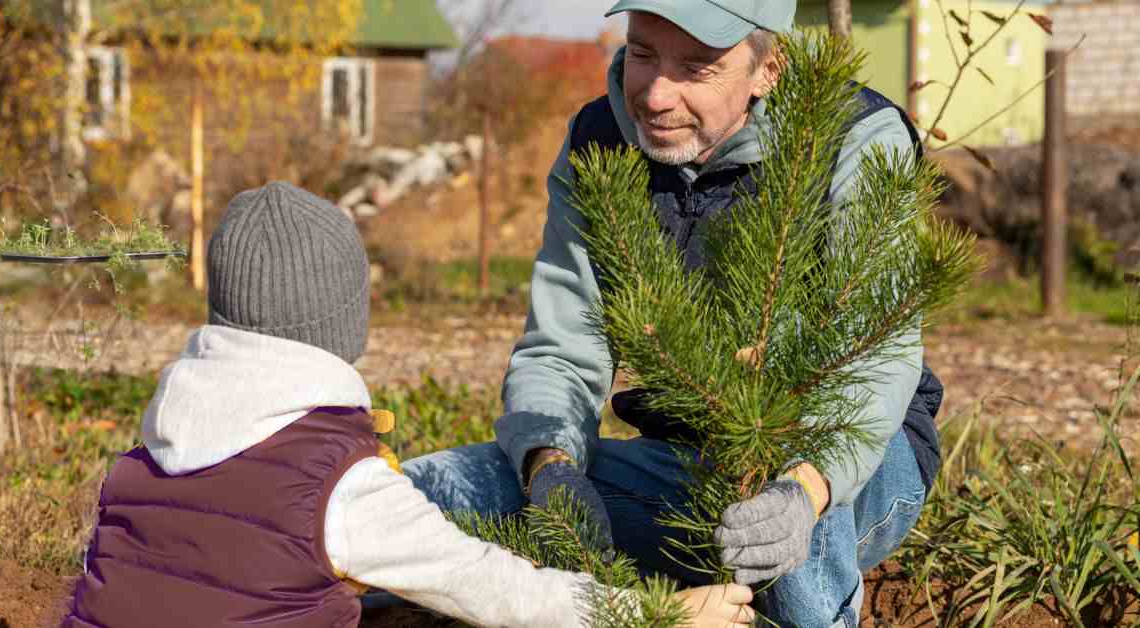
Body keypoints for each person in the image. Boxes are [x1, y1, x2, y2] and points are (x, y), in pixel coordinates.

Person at [403, 3, 947, 627]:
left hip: (851, 463)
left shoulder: (850, 136)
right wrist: (550, 466)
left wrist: (805, 489)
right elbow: (562, 343)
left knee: (776, 517)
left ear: (768, 68)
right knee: (431, 493)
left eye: (697, 67)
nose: (657, 94)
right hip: (680, 467)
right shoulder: (599, 144)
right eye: (642, 53)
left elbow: (874, 356)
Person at [59, 182, 755, 628]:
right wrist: (654, 613)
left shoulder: (144, 459)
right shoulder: (337, 486)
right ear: (342, 326)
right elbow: (492, 589)